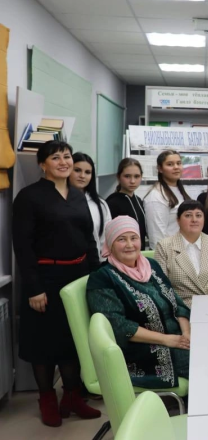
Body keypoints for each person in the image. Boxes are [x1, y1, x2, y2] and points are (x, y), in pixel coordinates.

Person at [12, 141, 102, 427]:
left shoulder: (77, 196)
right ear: (42, 164)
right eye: (55, 157)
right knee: (44, 343)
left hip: (77, 277)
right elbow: (23, 247)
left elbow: (89, 240)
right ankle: (47, 398)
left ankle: (72, 398)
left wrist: (97, 279)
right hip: (45, 279)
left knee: (74, 339)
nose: (63, 161)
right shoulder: (29, 197)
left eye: (66, 156)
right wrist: (34, 288)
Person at [86, 216, 190, 390]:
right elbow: (119, 326)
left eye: (133, 238)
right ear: (110, 244)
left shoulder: (151, 266)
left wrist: (186, 334)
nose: (129, 245)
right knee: (203, 363)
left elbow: (178, 304)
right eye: (121, 239)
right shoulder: (102, 278)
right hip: (143, 351)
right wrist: (167, 340)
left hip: (176, 339)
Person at [154, 200, 208, 307]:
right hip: (181, 310)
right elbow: (162, 287)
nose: (194, 220)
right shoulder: (164, 246)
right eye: (188, 215)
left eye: (199, 215)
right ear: (178, 220)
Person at [144, 150, 191, 249]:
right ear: (160, 169)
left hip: (184, 251)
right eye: (170, 164)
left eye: (178, 163)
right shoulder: (156, 197)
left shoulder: (180, 190)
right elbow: (157, 239)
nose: (176, 167)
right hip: (169, 255)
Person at [70, 152, 111, 259]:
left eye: (88, 172)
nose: (82, 176)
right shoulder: (59, 202)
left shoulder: (100, 205)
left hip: (95, 264)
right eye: (77, 170)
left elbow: (106, 240)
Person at [107, 158, 148, 251]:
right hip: (121, 254)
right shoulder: (112, 203)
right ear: (118, 177)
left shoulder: (138, 201)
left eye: (137, 176)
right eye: (127, 176)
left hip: (139, 254)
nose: (132, 181)